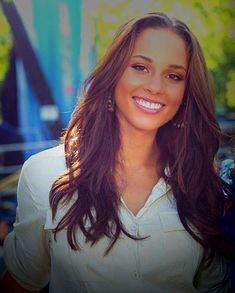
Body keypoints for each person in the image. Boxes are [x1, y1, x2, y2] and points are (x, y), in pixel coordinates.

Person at [1, 12, 234, 293]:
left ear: (186, 92)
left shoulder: (201, 185)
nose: (155, 87)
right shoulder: (44, 173)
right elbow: (22, 281)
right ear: (114, 74)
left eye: (173, 75)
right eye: (140, 67)